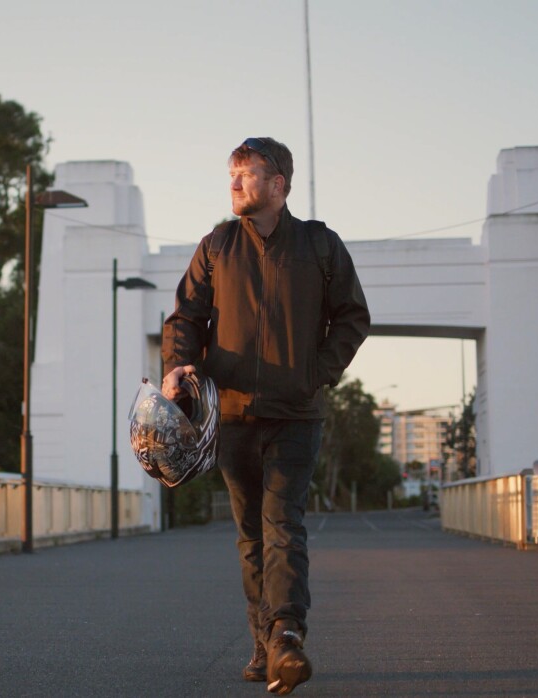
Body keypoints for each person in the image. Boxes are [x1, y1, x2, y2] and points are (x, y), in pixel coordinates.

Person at [160, 137, 370, 694]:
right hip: (231, 417)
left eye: (246, 174)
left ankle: (287, 635)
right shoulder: (216, 246)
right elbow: (185, 318)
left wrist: (315, 372)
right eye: (231, 174)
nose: (234, 184)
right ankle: (264, 643)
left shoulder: (320, 245)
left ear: (278, 185)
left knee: (282, 524)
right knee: (251, 534)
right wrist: (177, 367)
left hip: (296, 415)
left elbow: (353, 317)